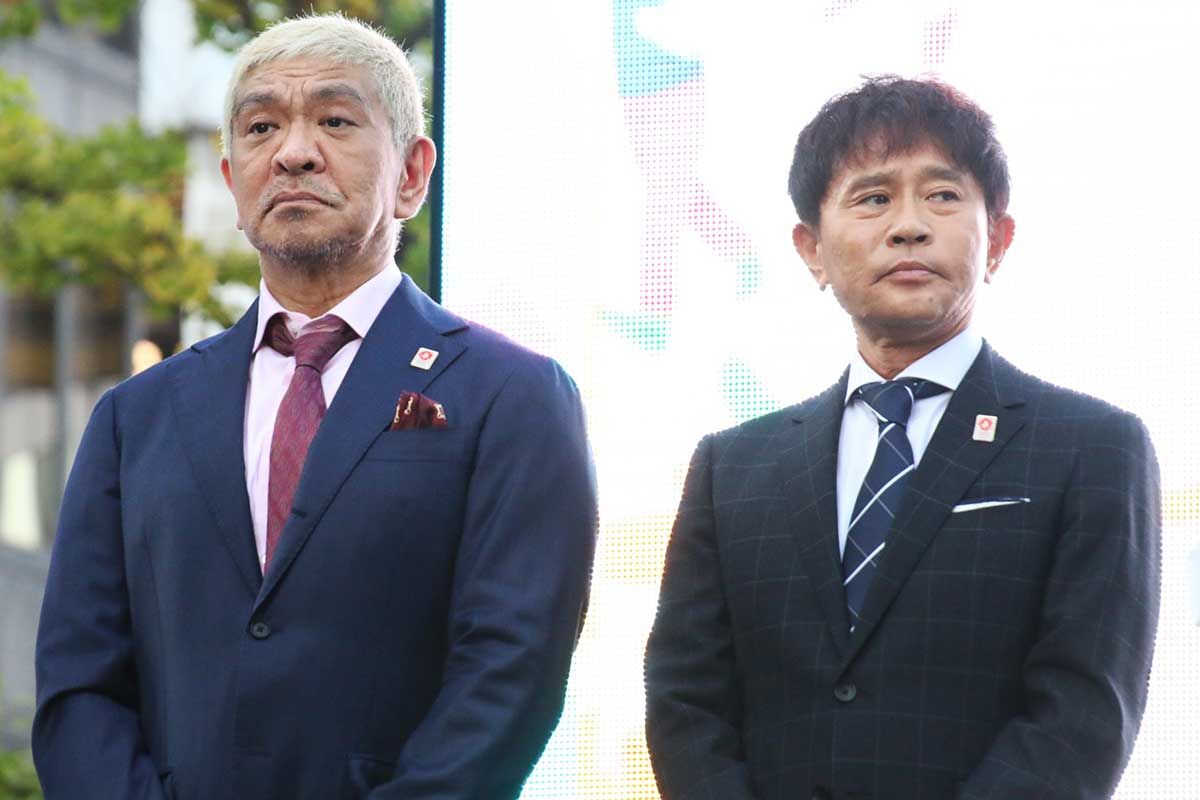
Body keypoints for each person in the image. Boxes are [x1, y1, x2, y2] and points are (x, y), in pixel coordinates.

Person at [32, 14, 597, 800]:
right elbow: (79, 685)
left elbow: (510, 676)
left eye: (335, 120)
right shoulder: (137, 418)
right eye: (261, 127)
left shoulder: (512, 396)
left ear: (412, 174)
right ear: (233, 181)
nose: (293, 152)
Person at [645, 76, 1160, 799]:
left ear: (997, 241)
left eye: (942, 195)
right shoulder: (731, 468)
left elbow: (1082, 715)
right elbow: (686, 701)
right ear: (811, 250)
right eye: (872, 198)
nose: (909, 226)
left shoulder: (1093, 448)